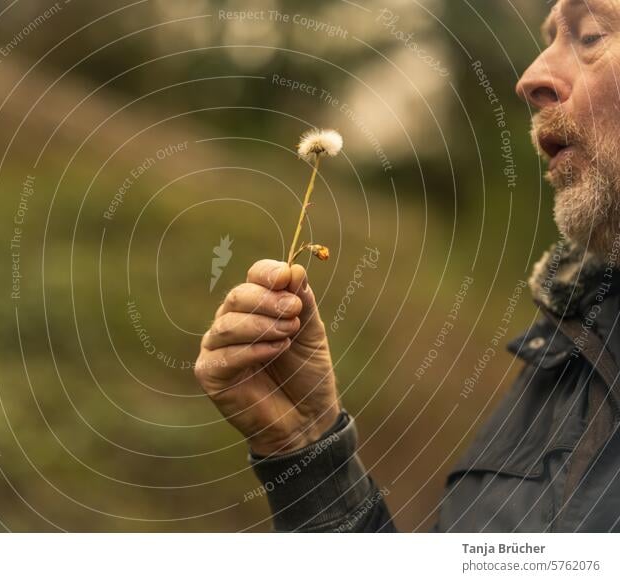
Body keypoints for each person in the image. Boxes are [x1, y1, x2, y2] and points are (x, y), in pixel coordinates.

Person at [194, 0, 620, 532]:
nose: (531, 78)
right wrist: (306, 447)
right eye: (548, 36)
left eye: (589, 36)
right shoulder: (574, 345)